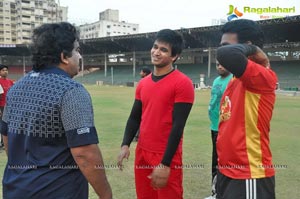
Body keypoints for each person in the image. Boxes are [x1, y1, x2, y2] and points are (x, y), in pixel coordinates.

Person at [0, 22, 112, 199]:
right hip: (57, 191)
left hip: (15, 188)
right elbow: (84, 153)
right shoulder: (71, 91)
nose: (80, 56)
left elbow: (7, 137)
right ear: (64, 56)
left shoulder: (16, 88)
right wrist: (106, 195)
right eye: (77, 50)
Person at [117, 29, 194, 199]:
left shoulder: (183, 84)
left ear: (174, 56)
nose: (156, 52)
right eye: (155, 47)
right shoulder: (143, 83)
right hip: (143, 152)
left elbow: (178, 126)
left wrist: (165, 164)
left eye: (163, 50)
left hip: (166, 155)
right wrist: (125, 145)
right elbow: (134, 117)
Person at [216, 19, 277, 198]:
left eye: (227, 45)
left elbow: (226, 55)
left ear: (247, 46)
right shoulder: (234, 80)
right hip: (227, 172)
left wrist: (255, 51)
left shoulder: (261, 76)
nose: (220, 51)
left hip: (249, 174)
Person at [205, 62, 232, 199]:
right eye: (217, 65)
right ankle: (215, 192)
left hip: (225, 128)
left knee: (224, 161)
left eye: (223, 64)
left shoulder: (233, 79)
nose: (220, 67)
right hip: (214, 126)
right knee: (215, 160)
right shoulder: (216, 80)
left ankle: (222, 192)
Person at [134, 67, 152, 141]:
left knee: (140, 120)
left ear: (144, 73)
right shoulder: (149, 80)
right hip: (146, 104)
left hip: (145, 105)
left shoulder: (145, 81)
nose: (140, 73)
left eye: (141, 72)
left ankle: (138, 137)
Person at [0, 64, 14, 148]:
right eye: (3, 70)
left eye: (6, 70)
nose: (5, 71)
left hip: (9, 107)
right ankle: (2, 143)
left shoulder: (10, 82)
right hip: (2, 106)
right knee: (2, 126)